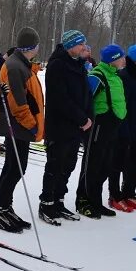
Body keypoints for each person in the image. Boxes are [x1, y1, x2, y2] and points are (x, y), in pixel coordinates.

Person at [0, 27, 44, 233]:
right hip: (16, 124)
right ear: (33, 46)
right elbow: (17, 103)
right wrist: (31, 124)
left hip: (19, 124)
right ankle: (1, 209)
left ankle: (5, 206)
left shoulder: (22, 63)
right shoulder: (14, 65)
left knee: (16, 167)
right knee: (15, 167)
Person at [38, 30, 92, 225]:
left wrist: (88, 117)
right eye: (80, 44)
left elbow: (86, 94)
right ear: (70, 45)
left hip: (75, 126)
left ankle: (59, 200)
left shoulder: (78, 65)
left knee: (68, 165)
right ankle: (47, 202)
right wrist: (81, 118)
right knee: (55, 164)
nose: (83, 48)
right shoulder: (57, 65)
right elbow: (60, 98)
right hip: (59, 125)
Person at [75, 45, 127, 219]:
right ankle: (84, 200)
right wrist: (85, 121)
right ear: (112, 60)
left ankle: (96, 201)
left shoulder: (115, 76)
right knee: (92, 164)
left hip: (112, 126)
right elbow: (85, 99)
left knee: (105, 166)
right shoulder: (98, 75)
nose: (123, 60)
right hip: (99, 126)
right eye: (121, 58)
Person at [108, 45, 136, 212]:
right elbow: (122, 105)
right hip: (126, 129)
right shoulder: (124, 76)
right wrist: (124, 129)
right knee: (118, 163)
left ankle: (129, 192)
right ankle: (115, 195)